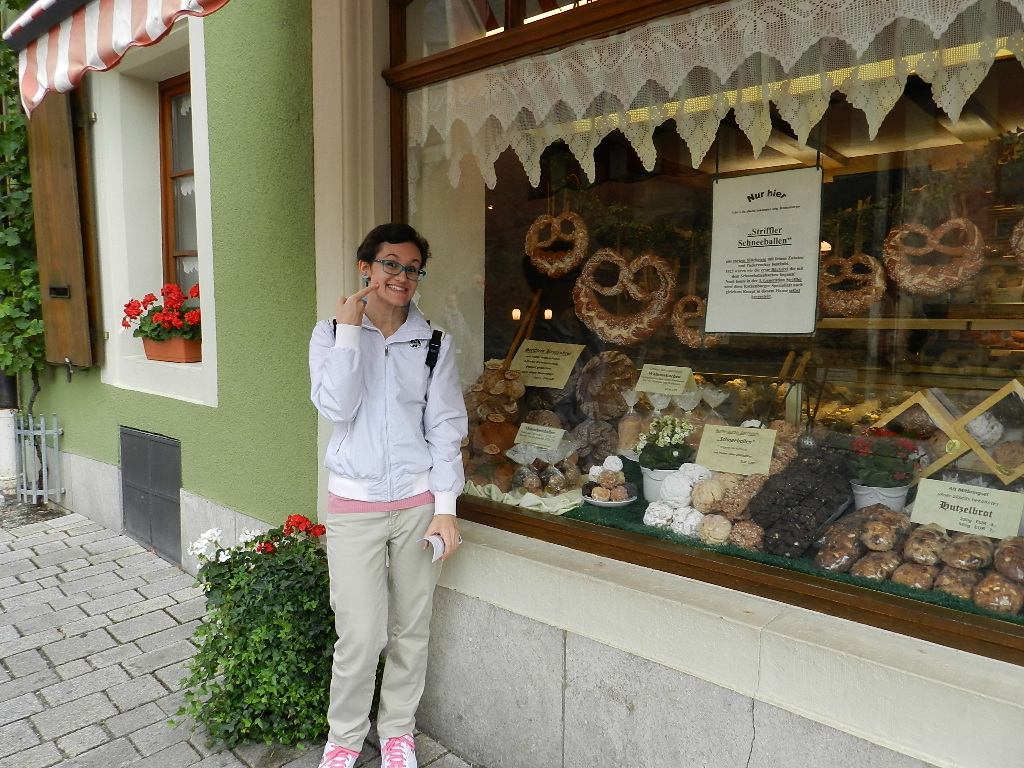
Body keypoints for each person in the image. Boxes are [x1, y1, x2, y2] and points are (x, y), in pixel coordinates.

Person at [309, 223, 468, 768]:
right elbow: (337, 409)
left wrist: (445, 511)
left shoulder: (434, 343)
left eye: (412, 268)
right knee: (359, 633)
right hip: (354, 506)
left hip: (417, 505)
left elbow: (446, 428)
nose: (401, 276)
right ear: (366, 268)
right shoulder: (330, 333)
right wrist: (351, 335)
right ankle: (344, 740)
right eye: (390, 264)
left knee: (410, 628)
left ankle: (398, 732)